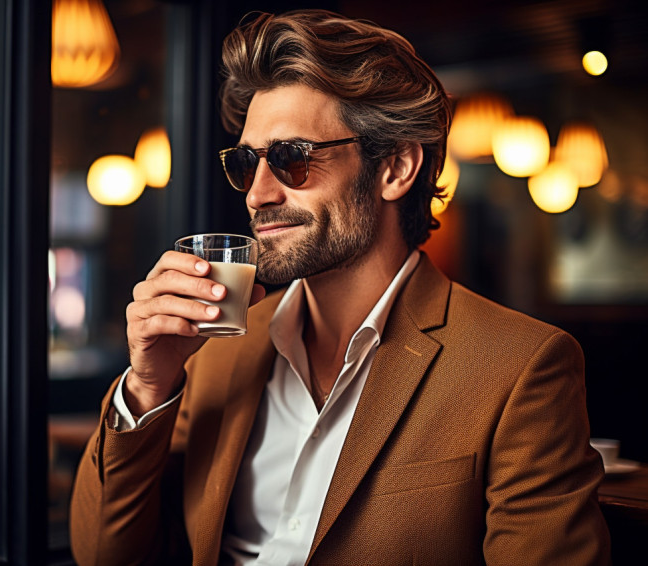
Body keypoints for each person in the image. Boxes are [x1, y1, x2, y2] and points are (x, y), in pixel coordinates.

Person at [70, 9, 611, 565]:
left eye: (291, 158)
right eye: (245, 162)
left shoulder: (522, 366)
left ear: (395, 168)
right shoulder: (217, 348)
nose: (257, 194)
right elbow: (102, 555)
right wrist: (148, 385)